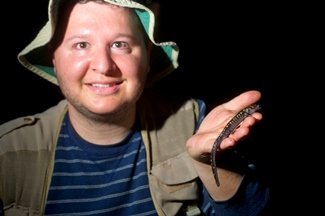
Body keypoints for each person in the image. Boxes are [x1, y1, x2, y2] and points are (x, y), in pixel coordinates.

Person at [0, 0, 271, 215]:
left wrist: (212, 160)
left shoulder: (193, 122)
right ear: (54, 60)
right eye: (81, 45)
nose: (104, 66)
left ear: (147, 58)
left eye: (120, 44)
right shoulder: (6, 151)